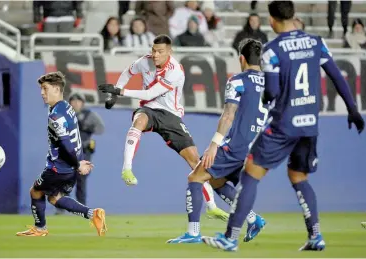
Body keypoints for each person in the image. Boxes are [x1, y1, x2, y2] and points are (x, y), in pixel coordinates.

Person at [202, 1, 364, 252]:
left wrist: (267, 98)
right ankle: (316, 236)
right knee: (299, 176)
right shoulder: (316, 43)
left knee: (251, 173)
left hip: (283, 125)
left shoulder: (273, 50)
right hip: (309, 125)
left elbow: (273, 91)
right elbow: (335, 75)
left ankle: (230, 237)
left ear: (272, 20)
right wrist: (353, 109)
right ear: (294, 15)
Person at [98, 34, 229, 221]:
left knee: (195, 161)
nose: (155, 55)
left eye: (160, 51)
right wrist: (114, 94)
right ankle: (127, 168)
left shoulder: (176, 71)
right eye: (153, 50)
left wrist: (120, 91)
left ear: (169, 52)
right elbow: (128, 72)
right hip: (149, 109)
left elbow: (151, 92)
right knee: (139, 120)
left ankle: (212, 207)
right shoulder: (145, 61)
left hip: (171, 116)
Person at [166, 38, 267, 244]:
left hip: (234, 146)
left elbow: (228, 115)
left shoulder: (238, 80)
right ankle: (253, 219)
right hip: (255, 148)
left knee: (195, 177)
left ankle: (193, 233)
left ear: (241, 58)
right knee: (216, 180)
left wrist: (214, 144)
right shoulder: (271, 83)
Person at [16, 72, 107, 237]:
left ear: (57, 89)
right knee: (54, 198)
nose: (42, 93)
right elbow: (75, 138)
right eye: (41, 89)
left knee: (35, 192)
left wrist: (78, 164)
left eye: (45, 88)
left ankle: (40, 229)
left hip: (59, 167)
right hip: (70, 166)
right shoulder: (66, 107)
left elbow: (66, 143)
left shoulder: (56, 115)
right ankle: (93, 214)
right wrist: (79, 161)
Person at [56, 92, 105, 215]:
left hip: (84, 152)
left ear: (82, 103)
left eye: (79, 101)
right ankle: (61, 208)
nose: (76, 103)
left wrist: (86, 127)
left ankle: (82, 209)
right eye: (73, 101)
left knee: (81, 180)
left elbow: (100, 128)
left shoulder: (89, 115)